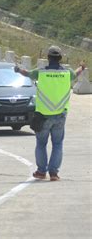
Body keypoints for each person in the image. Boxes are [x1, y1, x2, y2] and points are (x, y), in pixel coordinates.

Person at [14, 46, 86, 181]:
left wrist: (18, 69)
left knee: (41, 143)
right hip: (60, 114)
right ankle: (54, 173)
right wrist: (81, 67)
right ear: (60, 58)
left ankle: (41, 172)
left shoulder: (40, 73)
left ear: (48, 58)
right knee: (57, 144)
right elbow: (76, 73)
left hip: (43, 115)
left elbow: (27, 73)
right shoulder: (67, 73)